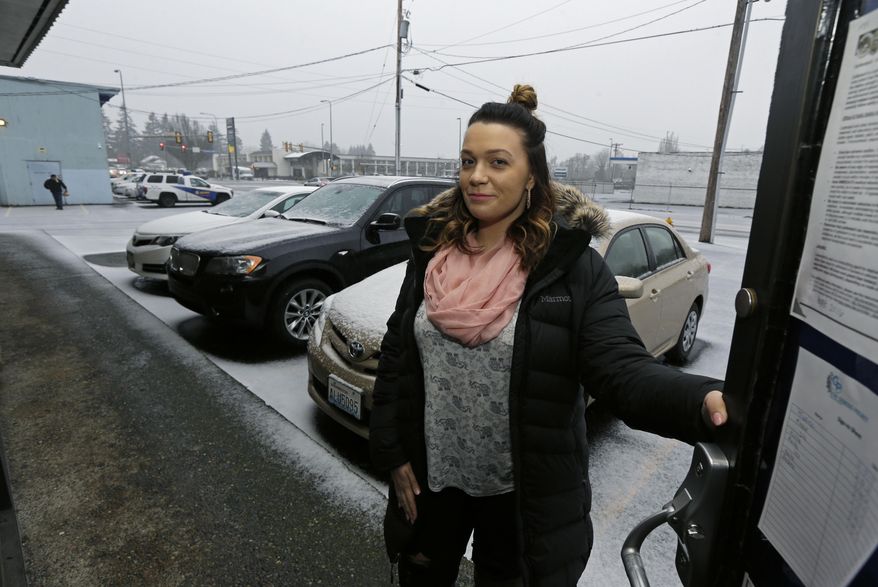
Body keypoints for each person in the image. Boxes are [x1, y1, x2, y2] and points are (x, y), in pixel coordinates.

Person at [369, 84, 728, 587]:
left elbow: (621, 370)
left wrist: (701, 399)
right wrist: (394, 454)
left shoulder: (571, 267)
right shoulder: (434, 251)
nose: (476, 176)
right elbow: (397, 356)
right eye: (468, 161)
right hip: (433, 481)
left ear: (531, 176)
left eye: (497, 162)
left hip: (521, 499)